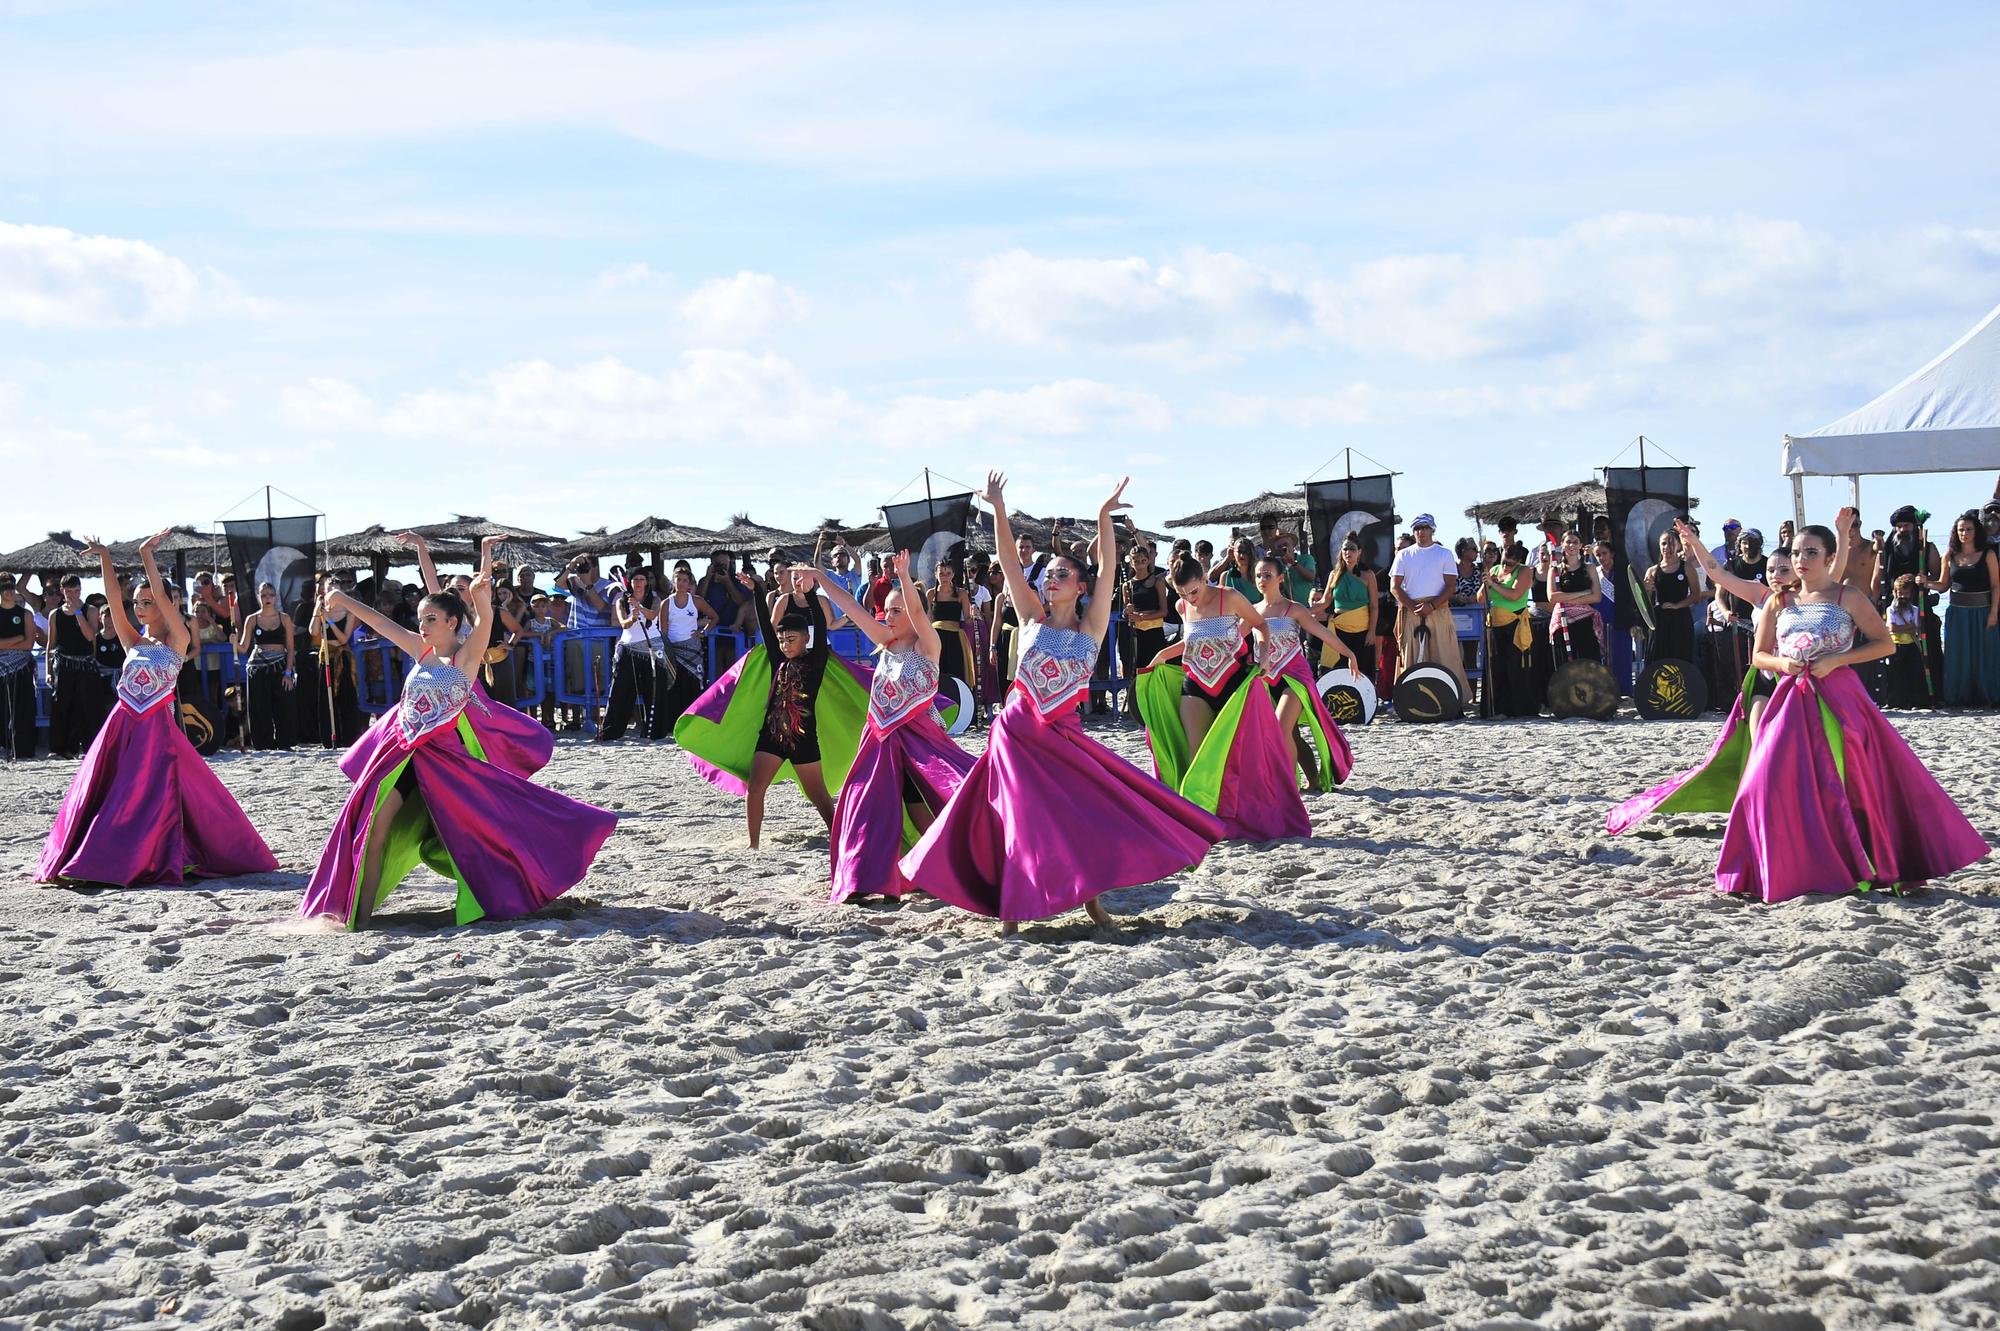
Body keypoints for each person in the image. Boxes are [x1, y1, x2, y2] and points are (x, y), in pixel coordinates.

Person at [902, 474, 1222, 934]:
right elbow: (1010, 561)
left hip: (1061, 740)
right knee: (1017, 819)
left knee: (1076, 819)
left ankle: (1092, 906)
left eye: (1061, 574)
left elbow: (1109, 569)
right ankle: (1012, 916)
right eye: (1049, 573)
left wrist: (1102, 517)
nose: (1051, 579)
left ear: (1079, 585)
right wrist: (998, 507)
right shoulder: (1030, 617)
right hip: (1014, 735)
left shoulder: (1089, 629)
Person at [1620, 523, 1987, 900]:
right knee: (1760, 782)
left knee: (1848, 786)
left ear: (1830, 558)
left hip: (1840, 700)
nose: (1801, 559)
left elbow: (1884, 644)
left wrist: (1839, 660)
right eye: (1796, 553)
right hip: (1790, 697)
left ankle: (1852, 865)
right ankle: (1768, 867)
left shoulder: (1847, 597)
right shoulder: (1778, 601)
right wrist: (1782, 665)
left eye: (1811, 552)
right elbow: (1758, 655)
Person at [300, 573, 617, 930]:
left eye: (431, 619)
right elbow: (380, 622)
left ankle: (509, 896)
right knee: (372, 833)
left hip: (446, 765)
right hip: (401, 759)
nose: (422, 625)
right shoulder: (419, 650)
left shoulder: (465, 659)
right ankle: (358, 921)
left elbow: (484, 621)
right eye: (420, 618)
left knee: (469, 838)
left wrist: (482, 596)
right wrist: (341, 599)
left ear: (452, 622)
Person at [39, 533, 278, 886]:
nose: (140, 607)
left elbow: (163, 597)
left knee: (144, 799)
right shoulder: (131, 640)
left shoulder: (178, 640)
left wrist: (145, 556)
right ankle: (95, 858)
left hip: (154, 731)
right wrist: (105, 558)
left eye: (147, 602)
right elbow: (114, 600)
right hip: (121, 727)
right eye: (138, 601)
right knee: (106, 795)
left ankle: (127, 860)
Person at [812, 551, 977, 903]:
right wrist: (821, 578)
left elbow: (918, 613)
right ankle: (867, 878)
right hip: (881, 740)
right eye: (887, 608)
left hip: (920, 743)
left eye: (897, 609)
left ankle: (946, 868)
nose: (890, 614)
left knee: (926, 810)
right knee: (867, 805)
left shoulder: (926, 644)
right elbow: (853, 611)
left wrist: (903, 577)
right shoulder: (886, 643)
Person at [677, 569, 874, 848]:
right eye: (782, 640)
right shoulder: (777, 660)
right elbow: (768, 631)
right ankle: (753, 845)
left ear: (806, 638)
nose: (785, 644)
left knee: (818, 796)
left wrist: (809, 595)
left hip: (803, 738)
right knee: (755, 788)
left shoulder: (816, 661)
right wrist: (757, 590)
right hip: (771, 735)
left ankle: (839, 839)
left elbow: (818, 618)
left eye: (791, 639)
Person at [342, 534, 555, 785]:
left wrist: (485, 552)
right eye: (451, 586)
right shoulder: (441, 613)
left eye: (461, 587)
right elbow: (430, 577)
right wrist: (421, 546)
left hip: (465, 681)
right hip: (439, 680)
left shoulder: (473, 616)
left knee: (485, 734)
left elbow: (483, 586)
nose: (454, 589)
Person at [1134, 550, 1304, 842]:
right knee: (1197, 751)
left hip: (1234, 684)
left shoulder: (1230, 597)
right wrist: (1163, 655)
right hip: (1196, 683)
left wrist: (1262, 655)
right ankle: (1200, 819)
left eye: (1194, 591)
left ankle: (1242, 813)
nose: (1191, 599)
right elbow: (1191, 642)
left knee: (1238, 752)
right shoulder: (1182, 606)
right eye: (1183, 594)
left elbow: (1261, 626)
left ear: (1203, 578)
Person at [1252, 555, 1356, 791]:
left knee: (1280, 729)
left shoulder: (1293, 609)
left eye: (1267, 575)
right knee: (1292, 736)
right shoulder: (1253, 611)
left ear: (1280, 578)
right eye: (1258, 575)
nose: (1262, 580)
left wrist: (1350, 654)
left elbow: (1323, 634)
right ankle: (1314, 781)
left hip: (1295, 678)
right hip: (1268, 681)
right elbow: (1233, 639)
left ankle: (1288, 786)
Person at [1389, 515, 1469, 695]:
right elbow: (1395, 586)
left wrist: (1432, 606)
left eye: (1425, 528)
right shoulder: (1404, 555)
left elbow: (1450, 585)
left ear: (1432, 529)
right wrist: (1412, 606)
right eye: (1417, 528)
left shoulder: (1444, 553)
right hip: (1412, 610)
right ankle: (1410, 698)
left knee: (1444, 655)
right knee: (1412, 657)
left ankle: (1451, 697)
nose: (1421, 532)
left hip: (1438, 610)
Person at [1928, 510, 2000, 706]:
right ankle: (1959, 697)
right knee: (1959, 656)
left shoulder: (1988, 554)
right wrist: (1926, 583)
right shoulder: (1949, 555)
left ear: (1976, 531)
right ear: (1956, 532)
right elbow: (1943, 585)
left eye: (1968, 529)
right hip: (1957, 613)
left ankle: (1988, 697)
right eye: (1961, 529)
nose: (1964, 533)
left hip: (1983, 611)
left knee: (1985, 655)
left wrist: (1994, 612)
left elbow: (1996, 585)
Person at [1873, 506, 1942, 699]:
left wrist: (1925, 581)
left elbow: (1937, 575)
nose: (1902, 530)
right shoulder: (1886, 550)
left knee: (1924, 654)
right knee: (1895, 656)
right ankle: (1898, 696)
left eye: (1906, 525)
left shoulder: (1927, 548)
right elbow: (1876, 581)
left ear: (1915, 526)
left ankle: (1926, 696)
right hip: (1893, 607)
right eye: (1899, 526)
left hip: (1920, 607)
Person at [596, 569, 670, 743]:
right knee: (620, 689)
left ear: (646, 582)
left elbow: (653, 615)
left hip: (651, 647)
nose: (638, 582)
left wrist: (640, 607)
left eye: (641, 579)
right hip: (628, 646)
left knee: (653, 690)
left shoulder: (656, 599)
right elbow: (624, 624)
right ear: (630, 582)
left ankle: (654, 731)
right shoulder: (621, 601)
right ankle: (611, 731)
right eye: (635, 579)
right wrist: (633, 616)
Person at [45, 574, 108, 758]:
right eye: (69, 591)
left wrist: (77, 613)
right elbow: (51, 643)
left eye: (76, 591)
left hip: (85, 664)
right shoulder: (55, 614)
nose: (73, 595)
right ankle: (62, 748)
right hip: (63, 663)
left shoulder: (90, 610)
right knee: (62, 706)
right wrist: (49, 672)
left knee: (88, 706)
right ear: (62, 591)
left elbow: (90, 636)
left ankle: (91, 747)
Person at [234, 581, 297, 750]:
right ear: (258, 597)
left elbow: (290, 648)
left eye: (270, 594)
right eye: (263, 595)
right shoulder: (252, 619)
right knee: (259, 707)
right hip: (257, 667)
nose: (267, 598)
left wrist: (289, 672)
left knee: (283, 705)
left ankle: (285, 742)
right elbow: (243, 648)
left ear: (275, 597)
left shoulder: (284, 618)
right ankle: (263, 744)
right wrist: (234, 641)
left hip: (280, 666)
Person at [1482, 543, 1539, 718]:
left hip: (1514, 625)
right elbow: (1480, 597)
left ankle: (1516, 709)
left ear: (1519, 561)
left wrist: (1495, 585)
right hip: (1495, 625)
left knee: (1514, 666)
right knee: (1496, 666)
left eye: (1511, 564)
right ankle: (1496, 708)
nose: (1506, 566)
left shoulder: (1525, 571)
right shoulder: (1495, 569)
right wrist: (1486, 583)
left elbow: (1515, 595)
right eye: (1505, 561)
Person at [309, 574, 364, 748]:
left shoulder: (348, 612)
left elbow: (343, 639)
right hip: (326, 657)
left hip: (342, 656)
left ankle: (348, 738)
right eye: (328, 588)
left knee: (345, 697)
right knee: (327, 698)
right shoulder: (321, 610)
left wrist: (330, 621)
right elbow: (313, 631)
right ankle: (329, 737)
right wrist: (318, 610)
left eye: (334, 588)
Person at [1313, 538, 1378, 678]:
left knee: (1363, 672)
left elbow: (1374, 606)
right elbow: (1325, 602)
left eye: (1352, 549)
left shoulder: (1368, 575)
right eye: (1345, 549)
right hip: (1339, 630)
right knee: (1340, 671)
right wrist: (1302, 611)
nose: (1348, 552)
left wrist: (1372, 631)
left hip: (1363, 630)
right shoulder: (1334, 574)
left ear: (1359, 552)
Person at [0, 572, 43, 759]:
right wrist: (17, 638)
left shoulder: (25, 614)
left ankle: (23, 749)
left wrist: (10, 642)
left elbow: (29, 644)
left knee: (23, 710)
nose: (8, 591)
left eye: (11, 587)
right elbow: (22, 640)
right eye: (4, 588)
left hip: (22, 667)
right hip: (1, 668)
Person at [1545, 531, 1603, 666]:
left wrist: (1565, 600)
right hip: (1563, 622)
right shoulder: (1555, 570)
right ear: (1562, 545)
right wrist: (1583, 593)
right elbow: (1552, 597)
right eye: (1568, 542)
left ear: (1581, 545)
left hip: (1585, 622)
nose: (1571, 545)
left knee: (1590, 664)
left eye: (1575, 542)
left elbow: (1596, 596)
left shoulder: (1590, 568)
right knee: (1564, 666)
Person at [1643, 527, 1700, 665]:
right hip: (1659, 621)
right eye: (1663, 543)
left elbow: (1695, 595)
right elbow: (1644, 602)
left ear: (1679, 545)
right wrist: (1647, 589)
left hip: (1681, 621)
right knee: (1657, 660)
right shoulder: (1652, 571)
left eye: (1671, 543)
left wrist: (1676, 606)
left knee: (1681, 661)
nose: (1667, 547)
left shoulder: (1687, 568)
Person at [1119, 541, 1171, 685]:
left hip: (1155, 631)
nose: (1140, 564)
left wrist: (1141, 617)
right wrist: (1127, 612)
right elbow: (1127, 614)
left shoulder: (1157, 582)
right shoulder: (1127, 586)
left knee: (1157, 670)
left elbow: (1164, 611)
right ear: (1131, 563)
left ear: (1148, 561)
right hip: (1136, 634)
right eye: (1136, 561)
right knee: (1138, 671)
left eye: (1143, 560)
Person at [1883, 575, 1930, 708]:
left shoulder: (1915, 610)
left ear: (1911, 594)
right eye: (1900, 593)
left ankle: (1915, 701)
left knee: (1913, 674)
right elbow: (1892, 628)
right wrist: (1906, 627)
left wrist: (1904, 628)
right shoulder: (1891, 609)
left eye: (1906, 593)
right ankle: (1897, 702)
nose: (1903, 596)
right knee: (1896, 675)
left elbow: (1916, 627)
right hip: (1896, 645)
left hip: (1911, 645)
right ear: (1895, 593)